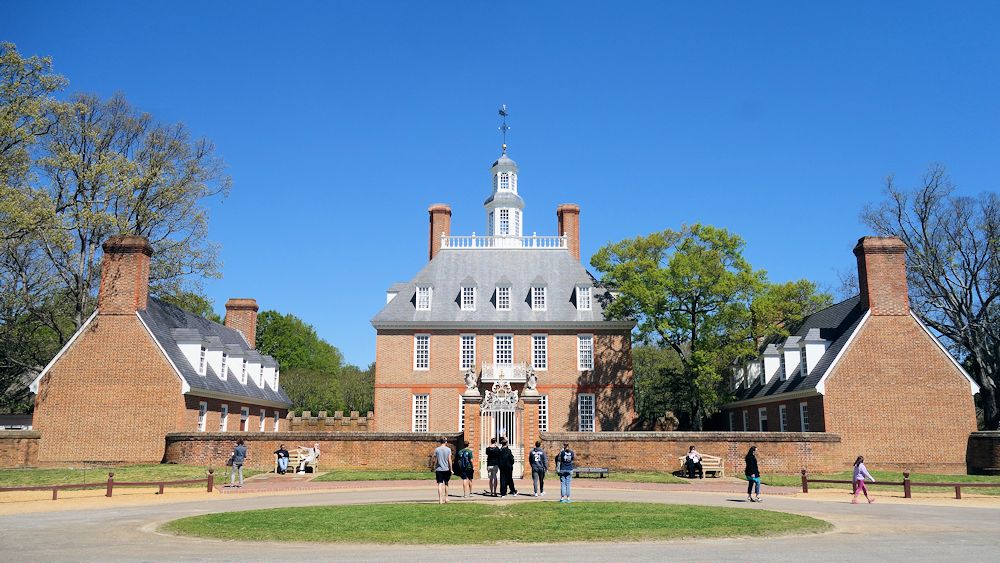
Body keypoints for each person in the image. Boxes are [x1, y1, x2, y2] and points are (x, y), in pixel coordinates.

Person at [433, 437, 453, 504]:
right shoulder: (448, 449)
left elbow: (435, 460)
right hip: (446, 469)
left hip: (439, 469)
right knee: (446, 483)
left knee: (440, 484)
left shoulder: (437, 449)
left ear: (440, 442)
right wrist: (451, 469)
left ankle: (440, 500)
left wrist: (434, 467)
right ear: (446, 442)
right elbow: (449, 460)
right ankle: (446, 498)